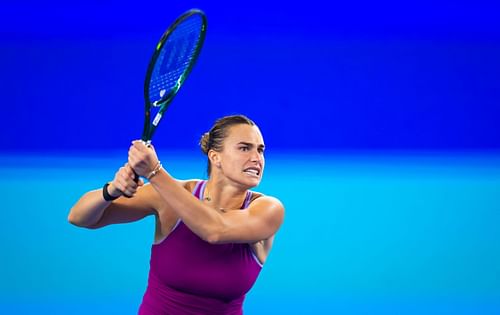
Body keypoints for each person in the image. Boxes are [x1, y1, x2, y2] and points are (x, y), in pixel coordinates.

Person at [68, 114, 285, 315]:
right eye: (245, 148)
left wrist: (154, 172)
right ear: (215, 157)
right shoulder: (168, 197)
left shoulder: (268, 209)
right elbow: (79, 217)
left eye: (260, 150)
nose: (257, 158)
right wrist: (112, 190)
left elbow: (215, 230)